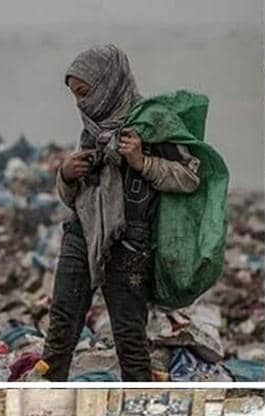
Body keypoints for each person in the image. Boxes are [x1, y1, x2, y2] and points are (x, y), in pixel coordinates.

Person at [41, 44, 202, 381]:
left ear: (108, 85)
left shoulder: (151, 123)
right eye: (75, 96)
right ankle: (47, 388)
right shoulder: (91, 130)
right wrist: (66, 175)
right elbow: (76, 198)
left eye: (85, 93)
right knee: (61, 327)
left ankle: (141, 401)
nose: (81, 103)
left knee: (130, 337)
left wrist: (142, 162)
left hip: (128, 245)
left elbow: (189, 177)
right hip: (81, 235)